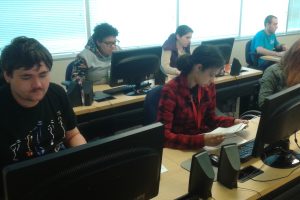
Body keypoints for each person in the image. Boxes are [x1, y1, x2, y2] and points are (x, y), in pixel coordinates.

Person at [0, 36, 87, 197]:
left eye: (43, 74)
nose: (38, 84)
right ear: (7, 75)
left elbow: (73, 134)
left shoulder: (57, 93)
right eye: (26, 77)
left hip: (62, 176)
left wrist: (85, 161)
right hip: (20, 189)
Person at [157, 45, 248, 149]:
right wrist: (201, 140)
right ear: (199, 67)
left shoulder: (208, 87)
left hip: (202, 144)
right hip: (180, 148)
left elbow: (210, 119)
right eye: (211, 74)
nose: (212, 80)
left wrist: (232, 122)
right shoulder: (171, 90)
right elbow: (164, 136)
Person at [258, 39, 300, 107]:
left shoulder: (272, 36)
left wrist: (282, 46)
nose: (276, 27)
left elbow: (278, 46)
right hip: (280, 115)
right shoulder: (273, 72)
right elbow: (263, 104)